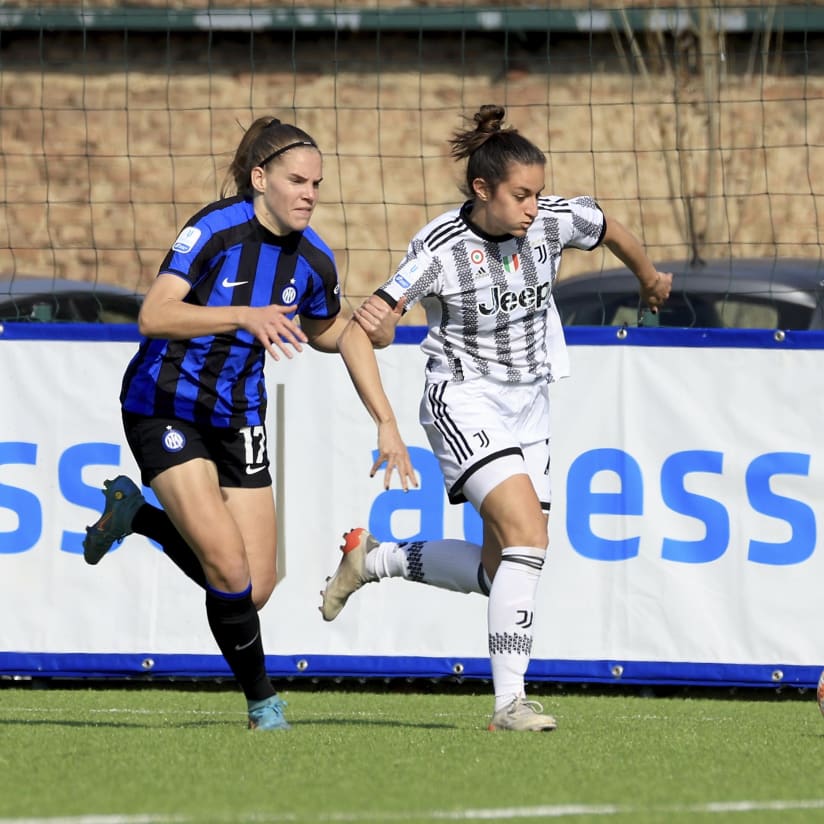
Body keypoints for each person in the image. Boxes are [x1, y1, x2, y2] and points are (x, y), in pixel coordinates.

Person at [319, 104, 672, 732]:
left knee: (496, 569)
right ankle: (510, 703)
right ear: (483, 191)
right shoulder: (438, 249)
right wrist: (386, 414)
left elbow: (610, 226)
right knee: (529, 541)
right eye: (522, 194)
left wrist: (648, 280)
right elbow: (359, 333)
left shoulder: (552, 221)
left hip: (529, 407)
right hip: (462, 399)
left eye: (538, 192)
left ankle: (370, 561)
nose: (536, 206)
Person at [83, 115, 415, 731]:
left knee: (255, 587)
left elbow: (332, 333)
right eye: (297, 180)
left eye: (317, 182)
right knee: (229, 573)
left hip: (239, 415)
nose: (310, 193)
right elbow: (154, 315)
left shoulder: (314, 258)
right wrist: (244, 315)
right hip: (166, 406)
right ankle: (264, 704)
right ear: (260, 179)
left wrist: (384, 406)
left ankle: (136, 515)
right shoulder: (213, 230)